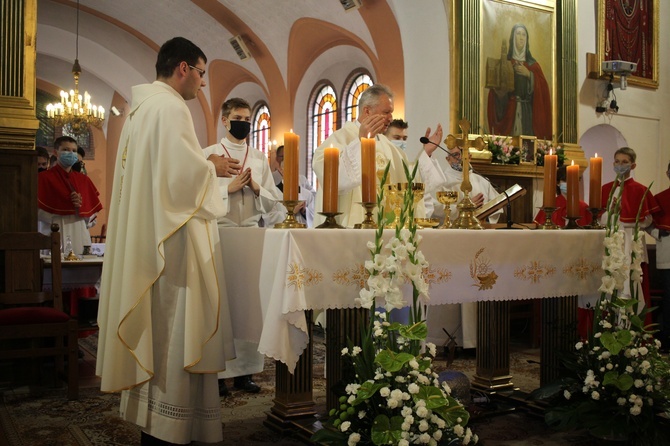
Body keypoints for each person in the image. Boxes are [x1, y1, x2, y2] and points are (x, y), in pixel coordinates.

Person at [96, 37, 241, 446]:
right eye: (201, 73)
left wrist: (202, 168)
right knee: (174, 333)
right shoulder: (171, 107)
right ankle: (171, 428)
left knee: (157, 337)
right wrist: (211, 167)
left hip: (151, 237)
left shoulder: (140, 109)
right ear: (183, 68)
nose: (202, 84)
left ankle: (154, 421)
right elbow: (181, 182)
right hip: (172, 247)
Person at [202, 97, 282, 395]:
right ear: (224, 120)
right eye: (238, 117)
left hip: (251, 235)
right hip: (219, 234)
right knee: (222, 303)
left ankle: (247, 372)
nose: (244, 123)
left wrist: (256, 187)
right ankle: (219, 373)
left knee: (251, 304)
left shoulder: (259, 158)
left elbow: (275, 205)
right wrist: (228, 189)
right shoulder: (207, 155)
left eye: (248, 119)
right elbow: (197, 197)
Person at [312, 84, 437, 227]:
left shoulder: (389, 147)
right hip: (353, 228)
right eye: (386, 112)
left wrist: (426, 153)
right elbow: (334, 180)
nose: (390, 118)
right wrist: (361, 143)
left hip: (387, 229)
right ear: (367, 111)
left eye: (391, 113)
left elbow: (409, 181)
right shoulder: (340, 139)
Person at [419, 143, 501, 350]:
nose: (460, 159)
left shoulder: (481, 181)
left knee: (477, 284)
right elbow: (435, 208)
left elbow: (496, 209)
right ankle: (443, 339)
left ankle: (476, 338)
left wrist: (487, 211)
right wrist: (463, 208)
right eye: (455, 155)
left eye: (464, 154)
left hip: (479, 242)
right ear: (448, 159)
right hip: (452, 243)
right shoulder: (441, 180)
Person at [601, 147, 659, 325]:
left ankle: (632, 327)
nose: (620, 165)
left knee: (632, 284)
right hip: (610, 243)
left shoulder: (641, 190)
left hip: (631, 243)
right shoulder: (605, 189)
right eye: (617, 161)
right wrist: (611, 216)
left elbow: (648, 220)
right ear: (613, 164)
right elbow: (599, 217)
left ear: (633, 165)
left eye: (624, 162)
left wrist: (626, 222)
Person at [37, 136, 102, 255]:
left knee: (80, 271)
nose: (71, 153)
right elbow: (37, 211)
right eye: (66, 149)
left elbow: (92, 217)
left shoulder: (84, 180)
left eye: (74, 150)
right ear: (56, 152)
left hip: (80, 233)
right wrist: (62, 206)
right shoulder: (43, 178)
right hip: (55, 231)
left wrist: (81, 206)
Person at [487, 23, 552, 139]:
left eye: (524, 35)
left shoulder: (533, 66)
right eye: (518, 34)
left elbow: (544, 91)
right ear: (513, 38)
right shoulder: (505, 63)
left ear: (527, 40)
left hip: (528, 115)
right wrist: (499, 91)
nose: (521, 38)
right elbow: (495, 91)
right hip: (509, 113)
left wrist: (529, 75)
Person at [647, 161, 670, 351]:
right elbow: (647, 222)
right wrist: (658, 233)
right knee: (669, 301)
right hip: (667, 256)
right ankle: (667, 340)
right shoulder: (659, 198)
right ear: (667, 173)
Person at [266, 145, 316, 227]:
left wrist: (304, 211)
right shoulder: (273, 194)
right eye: (288, 169)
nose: (291, 173)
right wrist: (291, 212)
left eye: (294, 169)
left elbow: (314, 218)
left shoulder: (307, 195)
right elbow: (269, 218)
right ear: (281, 170)